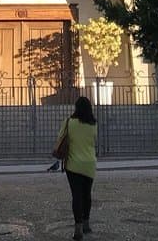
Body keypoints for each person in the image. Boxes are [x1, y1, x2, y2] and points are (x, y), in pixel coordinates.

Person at [54, 95, 98, 240]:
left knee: (76, 196)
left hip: (73, 165)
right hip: (89, 164)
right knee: (87, 195)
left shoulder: (69, 122)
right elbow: (93, 141)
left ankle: (78, 227)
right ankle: (86, 223)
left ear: (76, 108)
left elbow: (61, 138)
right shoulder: (93, 124)